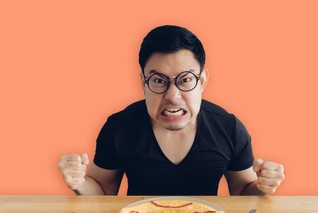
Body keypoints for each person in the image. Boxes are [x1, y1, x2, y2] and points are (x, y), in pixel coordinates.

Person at [58, 25, 285, 196]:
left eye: (185, 79)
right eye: (158, 80)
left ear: (202, 80)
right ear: (143, 82)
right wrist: (80, 183)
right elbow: (102, 191)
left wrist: (263, 186)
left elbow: (244, 192)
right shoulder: (118, 127)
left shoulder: (230, 128)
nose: (172, 96)